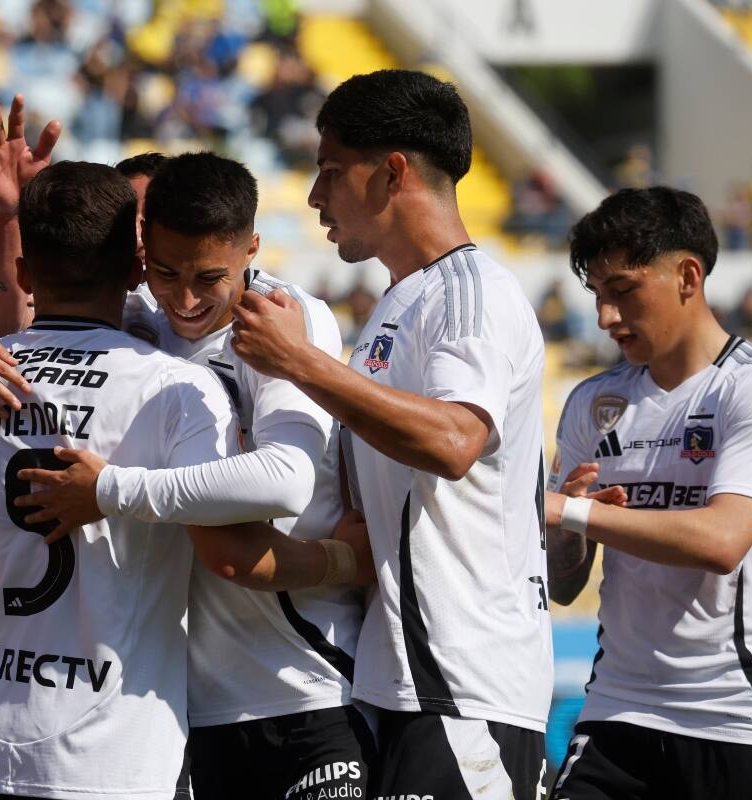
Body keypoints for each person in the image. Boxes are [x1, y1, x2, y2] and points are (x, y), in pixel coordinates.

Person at [9, 152, 375, 799]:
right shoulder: (139, 324)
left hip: (306, 683)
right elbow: (20, 343)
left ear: (251, 249)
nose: (184, 299)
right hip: (188, 703)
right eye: (165, 273)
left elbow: (287, 480)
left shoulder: (283, 317)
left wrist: (109, 490)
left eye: (209, 279)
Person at [230, 69, 552, 798]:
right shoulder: (399, 303)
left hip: (466, 686)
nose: (315, 196)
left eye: (331, 171)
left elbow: (454, 442)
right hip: (401, 680)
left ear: (393, 172)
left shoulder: (472, 293)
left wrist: (299, 362)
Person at [0, 160, 240, 799]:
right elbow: (228, 537)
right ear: (136, 270)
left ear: (25, 274)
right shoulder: (178, 389)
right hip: (119, 759)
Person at [545, 187, 752, 800]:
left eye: (622, 290)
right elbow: (564, 585)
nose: (605, 317)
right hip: (617, 707)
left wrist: (573, 511)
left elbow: (722, 542)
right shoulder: (592, 402)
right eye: (596, 295)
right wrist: (566, 529)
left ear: (687, 276)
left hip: (736, 711)